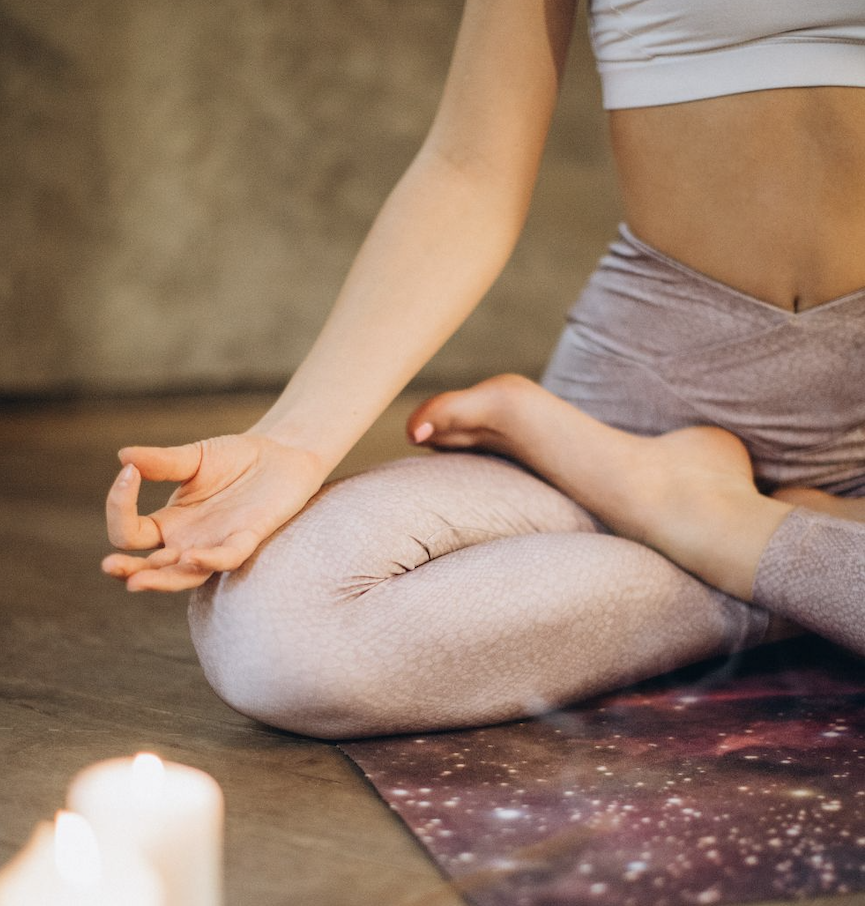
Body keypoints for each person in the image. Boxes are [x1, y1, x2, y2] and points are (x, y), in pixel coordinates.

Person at [102, 0, 865, 739]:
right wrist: (296, 441)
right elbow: (471, 168)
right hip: (634, 416)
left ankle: (718, 524)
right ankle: (791, 558)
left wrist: (747, 537)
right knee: (272, 630)